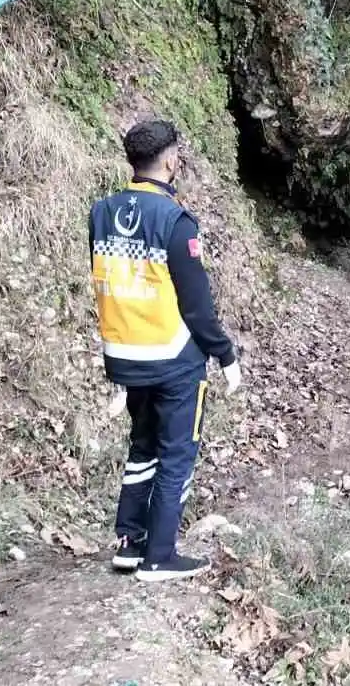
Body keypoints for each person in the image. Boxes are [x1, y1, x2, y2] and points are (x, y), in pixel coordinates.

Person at [89, 120, 242, 583]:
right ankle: (160, 556)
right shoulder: (176, 222)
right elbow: (197, 307)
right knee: (177, 453)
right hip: (173, 358)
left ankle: (129, 544)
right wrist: (225, 355)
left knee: (143, 447)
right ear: (171, 161)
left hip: (125, 354)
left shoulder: (101, 212)